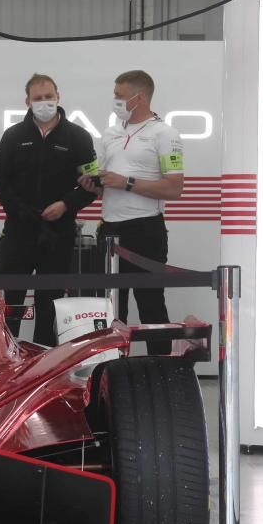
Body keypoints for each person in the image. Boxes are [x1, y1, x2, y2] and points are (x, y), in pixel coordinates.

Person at [78, 70, 184, 355]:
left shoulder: (165, 134)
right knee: (111, 307)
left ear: (140, 98)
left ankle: (162, 373)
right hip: (110, 230)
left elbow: (174, 188)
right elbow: (107, 183)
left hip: (146, 229)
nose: (115, 101)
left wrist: (128, 183)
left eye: (120, 96)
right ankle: (111, 373)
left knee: (151, 303)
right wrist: (95, 185)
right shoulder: (111, 133)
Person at [0, 73, 99, 346]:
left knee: (50, 304)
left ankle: (44, 363)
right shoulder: (13, 136)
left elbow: (92, 185)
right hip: (18, 232)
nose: (44, 102)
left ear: (58, 97)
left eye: (49, 97)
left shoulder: (79, 137)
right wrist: (20, 211)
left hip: (58, 235)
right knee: (7, 302)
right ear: (27, 101)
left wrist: (66, 205)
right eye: (38, 98)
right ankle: (4, 359)